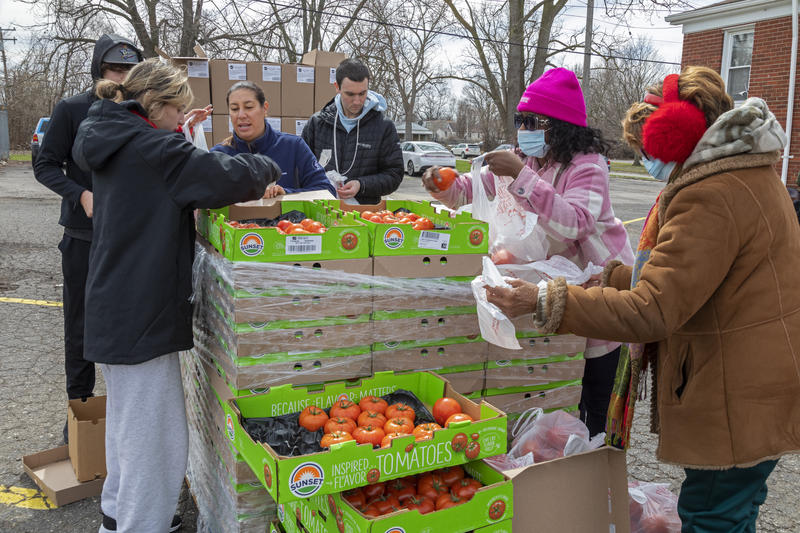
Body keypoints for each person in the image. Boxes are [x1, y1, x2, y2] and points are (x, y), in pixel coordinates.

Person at [486, 66, 800, 532]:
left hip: (737, 395)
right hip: (761, 383)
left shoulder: (710, 195)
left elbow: (653, 309)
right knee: (736, 511)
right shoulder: (747, 174)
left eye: (649, 147)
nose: (646, 159)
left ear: (678, 135)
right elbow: (692, 275)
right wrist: (614, 277)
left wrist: (545, 300)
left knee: (710, 516)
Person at [72, 58, 279, 533]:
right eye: (178, 110)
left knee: (127, 429)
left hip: (115, 305)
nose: (181, 119)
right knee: (155, 440)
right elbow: (222, 175)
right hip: (141, 314)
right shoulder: (153, 148)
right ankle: (142, 525)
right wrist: (266, 164)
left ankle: (117, 519)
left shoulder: (112, 138)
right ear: (156, 104)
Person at [422, 68, 634, 437]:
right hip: (557, 288)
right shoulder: (526, 159)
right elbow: (472, 189)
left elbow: (575, 224)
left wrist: (522, 176)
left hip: (601, 285)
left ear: (560, 127)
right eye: (520, 121)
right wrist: (442, 184)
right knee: (563, 383)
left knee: (596, 394)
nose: (524, 130)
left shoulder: (588, 166)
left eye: (532, 122)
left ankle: (600, 457)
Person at [33, 34, 143, 443]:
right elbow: (45, 165)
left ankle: (125, 412)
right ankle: (79, 411)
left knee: (129, 327)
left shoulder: (142, 111)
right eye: (115, 69)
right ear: (99, 70)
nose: (122, 77)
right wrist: (79, 194)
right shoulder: (72, 109)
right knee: (79, 328)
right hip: (84, 238)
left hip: (131, 239)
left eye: (130, 70)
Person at [301, 58, 403, 204]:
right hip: (322, 209)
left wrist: (361, 185)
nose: (357, 101)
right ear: (337, 87)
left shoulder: (383, 126)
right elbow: (301, 168)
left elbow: (394, 175)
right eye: (350, 94)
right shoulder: (317, 123)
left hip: (365, 212)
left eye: (362, 93)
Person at [210, 81, 335, 198]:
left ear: (264, 108)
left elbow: (326, 191)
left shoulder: (293, 146)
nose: (241, 115)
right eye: (234, 109)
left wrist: (286, 194)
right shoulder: (219, 156)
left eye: (249, 107)